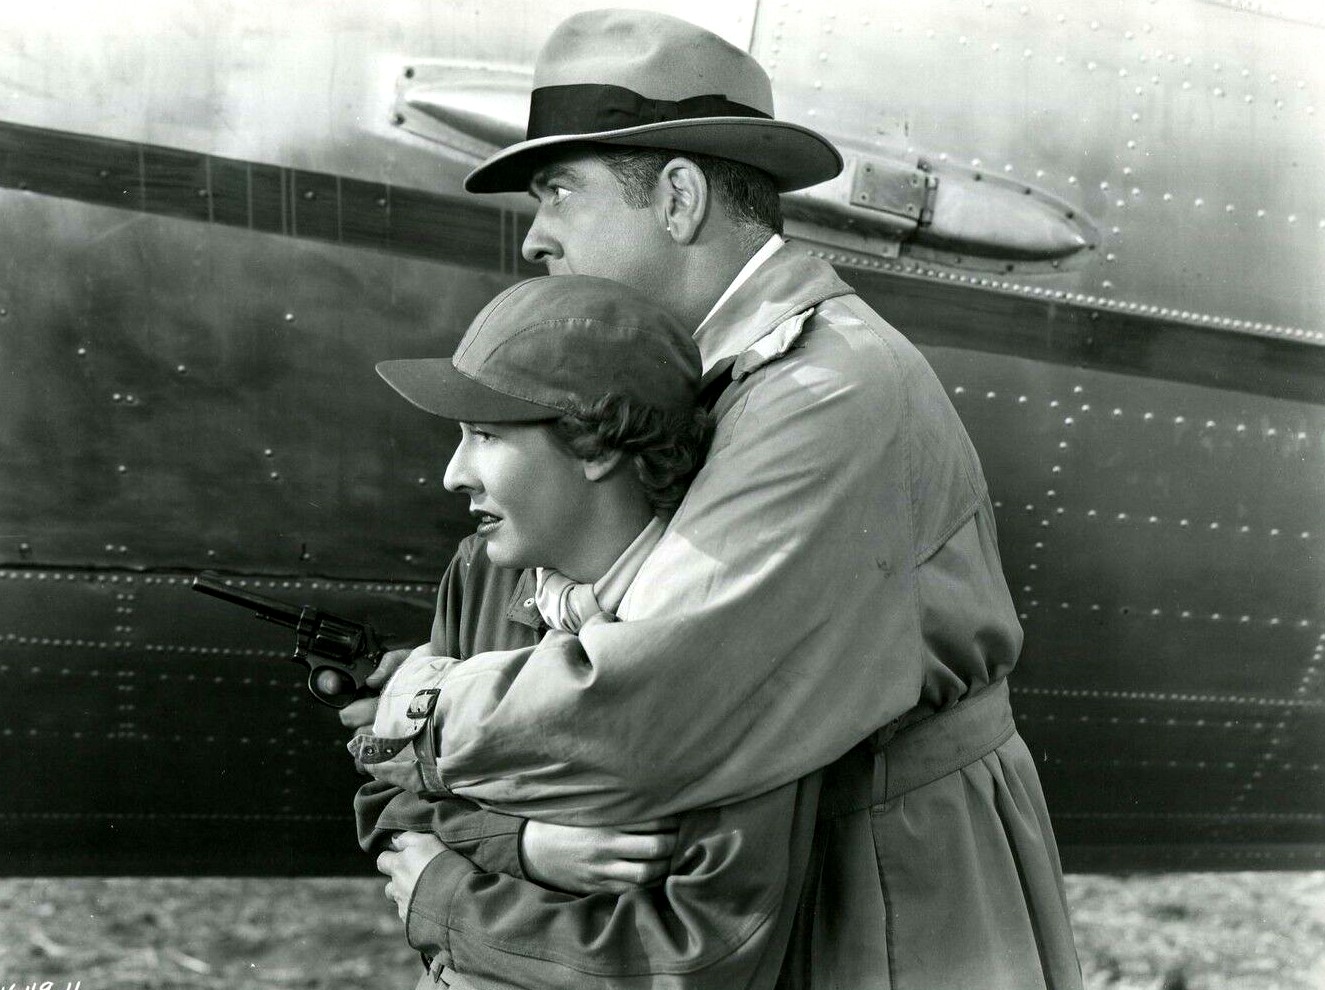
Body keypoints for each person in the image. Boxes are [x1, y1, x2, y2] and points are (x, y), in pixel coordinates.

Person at [354, 10, 1083, 989]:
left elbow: (653, 707)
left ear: (679, 197)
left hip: (892, 894)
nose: (535, 239)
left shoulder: (825, 392)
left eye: (559, 193)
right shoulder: (732, 371)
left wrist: (423, 710)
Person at [356, 274, 822, 990]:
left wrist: (449, 898)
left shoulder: (729, 624)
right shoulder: (482, 572)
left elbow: (702, 953)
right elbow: (391, 797)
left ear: (597, 446)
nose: (454, 474)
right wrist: (523, 846)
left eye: (484, 435)